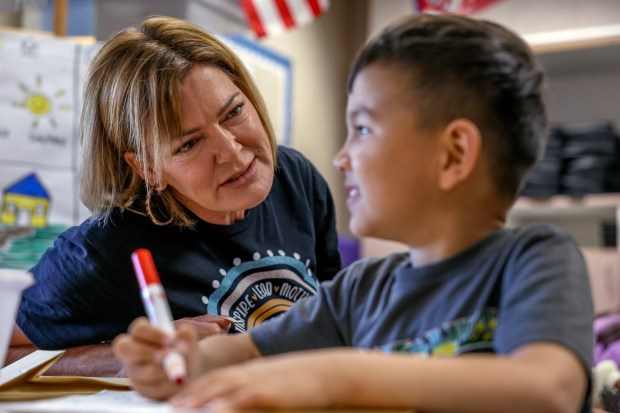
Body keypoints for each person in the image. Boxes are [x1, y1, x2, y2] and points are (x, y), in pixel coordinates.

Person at [113, 12, 594, 413]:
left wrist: (334, 376)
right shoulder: (360, 291)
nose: (341, 158)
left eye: (362, 130)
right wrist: (178, 362)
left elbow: (549, 388)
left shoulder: (535, 259)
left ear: (453, 155)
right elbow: (239, 350)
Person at [8, 15, 342, 376]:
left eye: (234, 112)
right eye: (190, 143)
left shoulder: (295, 177)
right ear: (146, 168)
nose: (230, 151)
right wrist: (122, 359)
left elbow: (338, 316)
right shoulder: (106, 250)